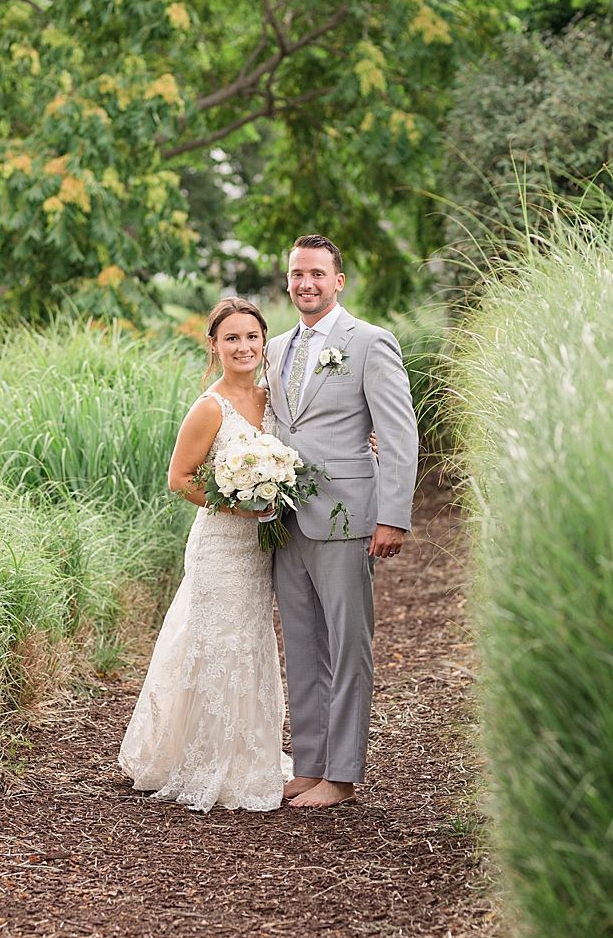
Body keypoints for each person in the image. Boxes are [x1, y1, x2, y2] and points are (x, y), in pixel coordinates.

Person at [118, 298, 293, 812]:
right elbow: (179, 480)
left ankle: (252, 755)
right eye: (232, 338)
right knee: (215, 641)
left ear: (265, 342)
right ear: (214, 346)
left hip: (261, 546)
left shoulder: (276, 399)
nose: (244, 347)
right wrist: (240, 503)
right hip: (221, 543)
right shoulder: (209, 406)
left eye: (253, 337)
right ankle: (201, 759)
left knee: (252, 640)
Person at [265, 234, 418, 808]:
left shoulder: (370, 343)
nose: (306, 283)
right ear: (288, 279)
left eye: (317, 274)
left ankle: (344, 773)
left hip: (349, 516)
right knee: (301, 646)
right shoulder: (276, 348)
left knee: (349, 648)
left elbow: (399, 434)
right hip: (284, 519)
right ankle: (309, 764)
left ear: (338, 281)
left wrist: (392, 517)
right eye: (297, 273)